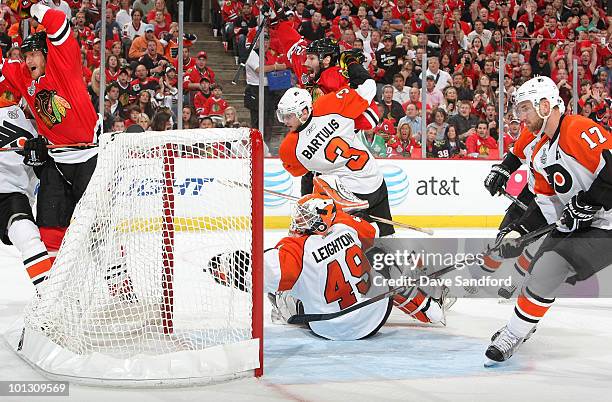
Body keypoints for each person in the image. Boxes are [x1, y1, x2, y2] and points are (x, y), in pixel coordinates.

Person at [485, 76, 612, 365]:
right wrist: (520, 233)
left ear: (545, 105)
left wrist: (591, 201)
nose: (521, 117)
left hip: (607, 223)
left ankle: (514, 332)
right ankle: (522, 326)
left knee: (549, 269)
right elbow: (548, 207)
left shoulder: (577, 129)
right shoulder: (540, 154)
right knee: (537, 271)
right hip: (587, 223)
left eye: (525, 109)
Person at [210, 193, 447, 340]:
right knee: (381, 261)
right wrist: (343, 213)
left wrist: (227, 265)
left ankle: (283, 312)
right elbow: (372, 231)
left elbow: (258, 273)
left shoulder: (295, 249)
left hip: (331, 327)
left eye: (306, 217)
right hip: (373, 315)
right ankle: (428, 305)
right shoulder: (346, 228)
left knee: (282, 285)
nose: (300, 221)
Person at [0, 3, 101, 262]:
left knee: (100, 230)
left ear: (47, 53)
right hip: (57, 164)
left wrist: (32, 6)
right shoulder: (24, 77)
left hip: (90, 160)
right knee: (49, 230)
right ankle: (56, 293)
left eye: (33, 54)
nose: (28, 60)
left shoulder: (63, 65)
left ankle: (117, 282)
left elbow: (57, 19)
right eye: (25, 56)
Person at [277, 54, 394, 236]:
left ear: (305, 110)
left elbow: (300, 172)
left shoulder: (289, 147)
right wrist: (351, 61)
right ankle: (387, 243)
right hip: (375, 179)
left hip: (350, 197)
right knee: (386, 235)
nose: (285, 121)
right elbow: (368, 86)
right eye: (283, 116)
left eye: (289, 115)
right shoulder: (330, 104)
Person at [0, 103, 53, 291]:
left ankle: (50, 299)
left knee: (27, 235)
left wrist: (41, 160)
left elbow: (46, 173)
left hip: (10, 195)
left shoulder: (44, 125)